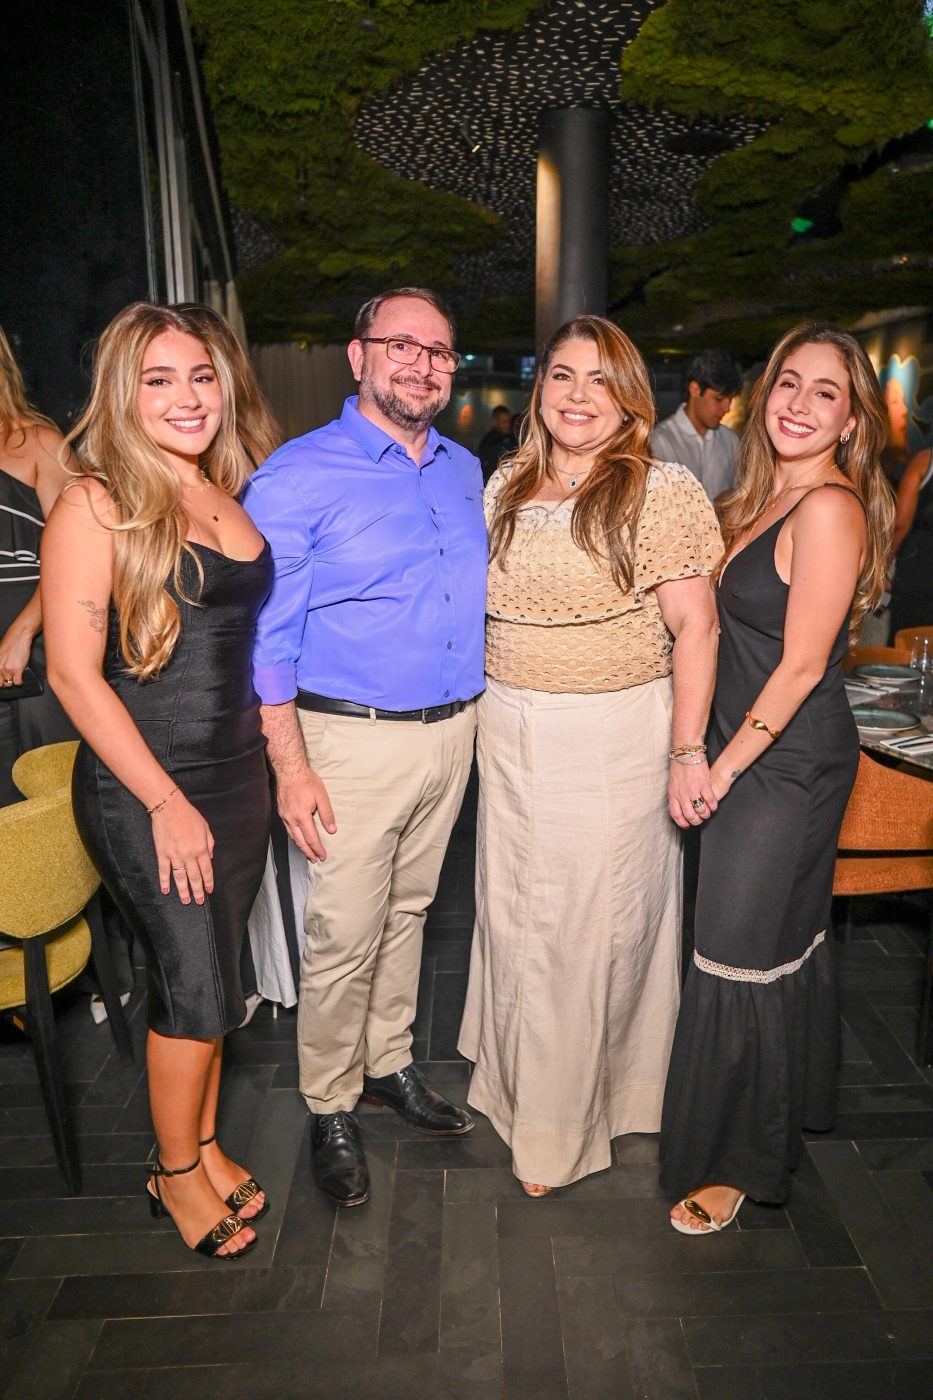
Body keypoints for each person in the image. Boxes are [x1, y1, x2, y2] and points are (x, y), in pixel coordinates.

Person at [457, 314, 722, 1195]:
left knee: (588, 932)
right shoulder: (503, 485)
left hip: (612, 733)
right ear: (539, 390)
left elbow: (696, 628)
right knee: (514, 920)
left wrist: (689, 750)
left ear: (629, 399)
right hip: (507, 728)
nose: (578, 395)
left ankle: (566, 1128)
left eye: (599, 379)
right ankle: (516, 1090)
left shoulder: (661, 490)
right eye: (562, 376)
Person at [243, 287, 487, 1209]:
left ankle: (387, 1062)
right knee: (342, 933)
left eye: (439, 350)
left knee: (412, 911)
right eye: (401, 345)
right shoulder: (296, 476)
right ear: (358, 357)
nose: (421, 363)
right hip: (347, 739)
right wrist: (290, 764)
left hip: (453, 731)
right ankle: (329, 1102)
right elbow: (267, 636)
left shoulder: (464, 469)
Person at [42, 302, 274, 1258]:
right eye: (160, 379)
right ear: (122, 393)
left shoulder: (227, 488)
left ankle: (206, 1145)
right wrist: (166, 802)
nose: (188, 398)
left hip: (236, 774)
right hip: (150, 784)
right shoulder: (95, 501)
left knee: (217, 975)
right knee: (188, 983)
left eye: (202, 376)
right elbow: (70, 673)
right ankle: (173, 1176)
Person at [659, 324, 894, 1234]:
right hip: (748, 750)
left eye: (823, 392)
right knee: (770, 943)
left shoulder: (828, 508)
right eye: (787, 383)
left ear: (849, 420)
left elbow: (799, 669)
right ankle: (783, 1109)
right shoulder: (752, 497)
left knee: (736, 952)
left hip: (782, 761)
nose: (797, 403)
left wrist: (712, 767)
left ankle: (737, 1163)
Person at [0, 326, 74, 805]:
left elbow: (87, 550)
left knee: (48, 814)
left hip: (34, 665)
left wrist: (25, 629)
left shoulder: (39, 443)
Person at [652, 349, 742, 504]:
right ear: (695, 389)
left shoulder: (731, 441)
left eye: (730, 399)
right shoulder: (659, 442)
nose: (727, 408)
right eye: (719, 399)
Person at [888, 442, 933, 641]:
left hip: (918, 572)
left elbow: (901, 524)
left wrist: (880, 567)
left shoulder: (925, 461)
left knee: (906, 647)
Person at [477, 403, 517, 484]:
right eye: (503, 422)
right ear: (494, 422)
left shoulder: (512, 439)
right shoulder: (489, 441)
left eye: (508, 421)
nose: (507, 425)